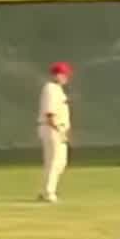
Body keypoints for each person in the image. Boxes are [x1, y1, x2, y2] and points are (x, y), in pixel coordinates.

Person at [36, 62, 72, 203]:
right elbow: (50, 114)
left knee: (58, 162)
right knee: (55, 161)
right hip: (52, 128)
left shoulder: (57, 89)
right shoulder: (50, 88)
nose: (66, 77)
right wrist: (58, 130)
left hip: (56, 128)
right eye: (64, 74)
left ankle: (44, 190)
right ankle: (49, 192)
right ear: (57, 75)